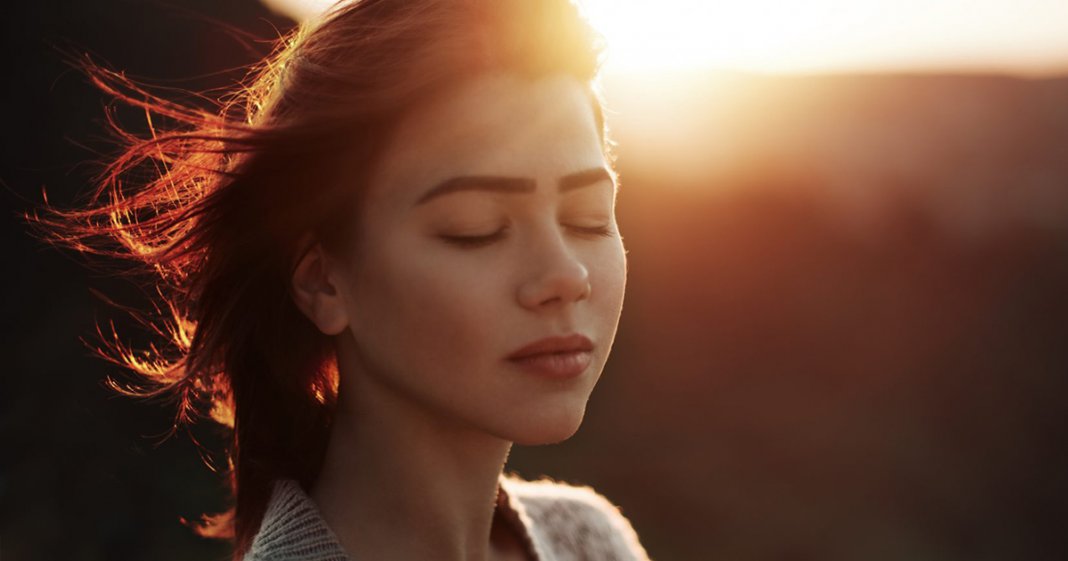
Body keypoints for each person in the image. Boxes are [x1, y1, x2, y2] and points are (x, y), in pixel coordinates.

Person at [32, 0, 649, 559]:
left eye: (587, 219)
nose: (564, 276)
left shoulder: (591, 543)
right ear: (323, 282)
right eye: (475, 228)